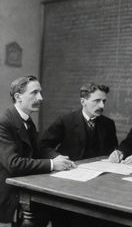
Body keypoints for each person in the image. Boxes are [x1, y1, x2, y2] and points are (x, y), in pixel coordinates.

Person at [0, 75, 75, 226]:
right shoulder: (5, 122)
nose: (40, 98)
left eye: (40, 92)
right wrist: (52, 165)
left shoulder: (27, 120)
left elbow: (39, 148)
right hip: (9, 192)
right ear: (18, 97)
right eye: (34, 92)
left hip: (24, 185)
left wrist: (60, 158)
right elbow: (14, 164)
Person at [39, 82, 118, 161]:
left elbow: (113, 150)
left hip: (99, 169)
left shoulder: (108, 124)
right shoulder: (65, 121)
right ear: (83, 102)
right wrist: (57, 157)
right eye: (97, 101)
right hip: (71, 169)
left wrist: (115, 154)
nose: (102, 106)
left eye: (104, 101)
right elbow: (43, 146)